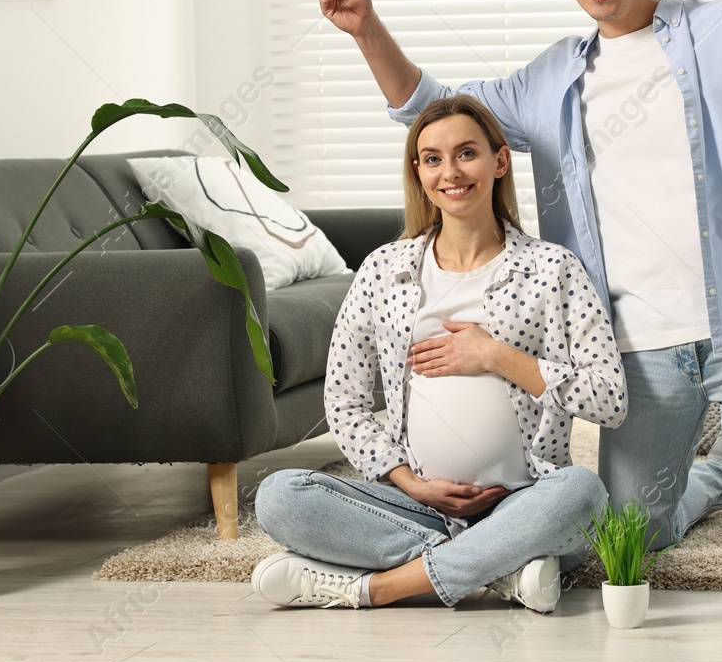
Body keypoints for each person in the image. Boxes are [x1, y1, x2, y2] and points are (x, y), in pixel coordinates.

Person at [317, 0, 722, 580]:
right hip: (641, 354)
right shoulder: (550, 79)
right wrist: (366, 28)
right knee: (624, 540)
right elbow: (434, 111)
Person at [252, 95, 625, 611]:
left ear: (499, 161)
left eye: (466, 153)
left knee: (582, 493)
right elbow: (344, 402)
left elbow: (610, 399)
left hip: (526, 500)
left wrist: (495, 356)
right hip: (416, 507)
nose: (450, 172)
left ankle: (378, 588)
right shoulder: (384, 270)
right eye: (432, 158)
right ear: (418, 171)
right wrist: (410, 484)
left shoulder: (553, 269)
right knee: (279, 497)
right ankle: (497, 569)